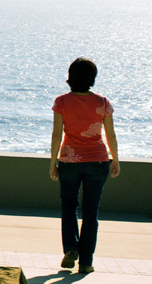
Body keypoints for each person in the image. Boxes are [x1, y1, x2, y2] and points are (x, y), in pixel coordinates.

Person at [49, 58, 120, 273]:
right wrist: (115, 159)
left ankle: (70, 248)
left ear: (70, 77)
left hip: (69, 162)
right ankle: (86, 262)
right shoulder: (103, 102)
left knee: (68, 207)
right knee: (91, 213)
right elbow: (110, 134)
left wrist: (53, 163)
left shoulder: (61, 102)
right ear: (92, 78)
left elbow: (56, 135)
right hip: (98, 161)